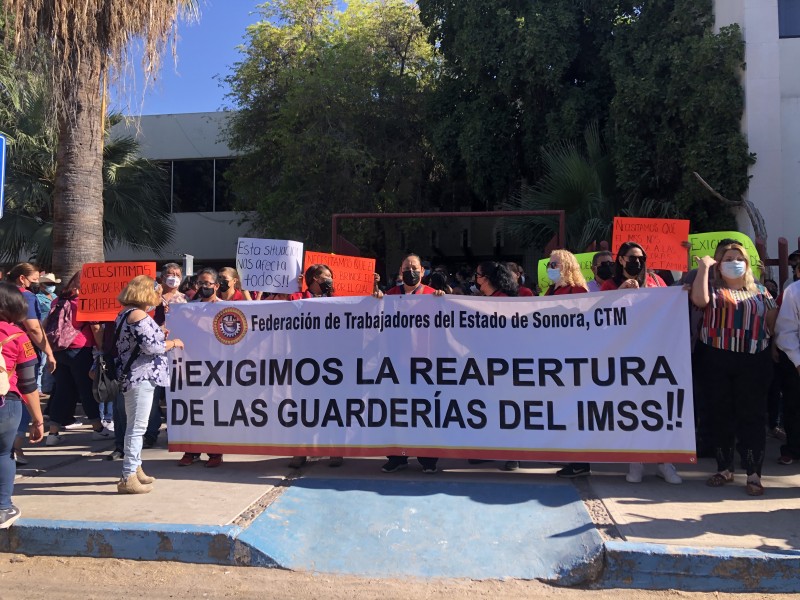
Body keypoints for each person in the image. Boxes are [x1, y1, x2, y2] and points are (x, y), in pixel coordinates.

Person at [692, 241, 777, 496]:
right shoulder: (711, 289)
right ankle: (724, 468)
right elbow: (699, 300)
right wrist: (704, 268)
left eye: (738, 257)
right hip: (716, 359)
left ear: (747, 264)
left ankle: (753, 474)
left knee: (752, 416)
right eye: (727, 258)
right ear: (719, 264)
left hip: (753, 360)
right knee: (720, 414)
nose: (733, 262)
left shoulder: (762, 293)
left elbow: (773, 326)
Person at [602, 242, 681, 485]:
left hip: (656, 352)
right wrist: (620, 292)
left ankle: (664, 462)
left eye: (640, 257)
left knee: (659, 407)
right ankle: (635, 461)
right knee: (632, 408)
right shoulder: (610, 285)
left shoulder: (657, 282)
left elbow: (671, 307)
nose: (636, 261)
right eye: (631, 257)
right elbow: (599, 312)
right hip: (626, 354)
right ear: (621, 260)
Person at [374, 254, 444, 473]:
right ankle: (397, 457)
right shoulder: (390, 296)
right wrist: (375, 300)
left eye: (414, 267)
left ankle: (428, 459)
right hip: (395, 365)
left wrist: (444, 301)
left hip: (425, 365)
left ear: (423, 272)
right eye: (406, 267)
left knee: (424, 412)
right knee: (396, 412)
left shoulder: (434, 296)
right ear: (400, 272)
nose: (410, 271)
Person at [115, 275, 184, 494]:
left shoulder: (126, 313)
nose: (159, 295)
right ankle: (128, 476)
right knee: (137, 428)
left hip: (136, 375)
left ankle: (136, 468)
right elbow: (151, 348)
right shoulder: (139, 315)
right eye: (156, 290)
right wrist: (172, 342)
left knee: (136, 425)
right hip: (141, 375)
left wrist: (158, 334)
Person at [540, 250, 592, 478]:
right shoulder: (551, 291)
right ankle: (568, 455)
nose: (551, 267)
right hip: (554, 359)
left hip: (572, 360)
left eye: (555, 263)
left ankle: (581, 462)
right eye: (550, 264)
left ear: (568, 266)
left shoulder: (578, 292)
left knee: (574, 411)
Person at [286, 264, 343, 468]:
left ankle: (334, 450)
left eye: (331, 276)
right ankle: (301, 451)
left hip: (330, 362)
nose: (329, 279)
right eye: (325, 276)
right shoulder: (296, 298)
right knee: (304, 407)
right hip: (303, 361)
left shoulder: (337, 300)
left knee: (331, 407)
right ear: (313, 279)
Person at [43, 272, 110, 445]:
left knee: (62, 390)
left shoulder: (58, 300)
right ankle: (97, 427)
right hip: (80, 349)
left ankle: (53, 432)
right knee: (86, 389)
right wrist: (101, 348)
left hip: (59, 350)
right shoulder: (85, 302)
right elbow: (96, 328)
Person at [0, 282, 45, 526]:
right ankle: (3, 508)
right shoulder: (19, 337)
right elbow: (28, 385)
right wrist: (38, 419)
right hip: (6, 403)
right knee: (4, 454)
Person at [177, 268, 224, 468]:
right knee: (192, 409)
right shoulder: (188, 308)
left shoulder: (228, 308)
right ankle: (191, 450)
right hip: (193, 365)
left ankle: (215, 452)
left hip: (218, 366)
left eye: (207, 283)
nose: (204, 287)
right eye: (200, 283)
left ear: (216, 286)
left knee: (213, 410)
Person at [772, 260, 800, 465]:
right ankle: (794, 448)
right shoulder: (794, 292)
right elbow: (786, 331)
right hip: (796, 361)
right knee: (794, 407)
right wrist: (798, 362)